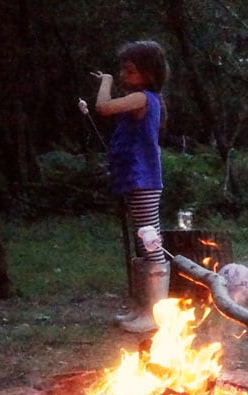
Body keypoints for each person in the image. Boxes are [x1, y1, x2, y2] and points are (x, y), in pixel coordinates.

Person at [94, 40, 169, 333]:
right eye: (120, 71)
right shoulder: (139, 99)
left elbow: (102, 107)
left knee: (150, 240)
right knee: (142, 241)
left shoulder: (143, 99)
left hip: (145, 180)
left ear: (149, 74)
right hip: (133, 179)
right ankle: (140, 308)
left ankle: (154, 314)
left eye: (129, 71)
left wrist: (106, 81)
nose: (123, 76)